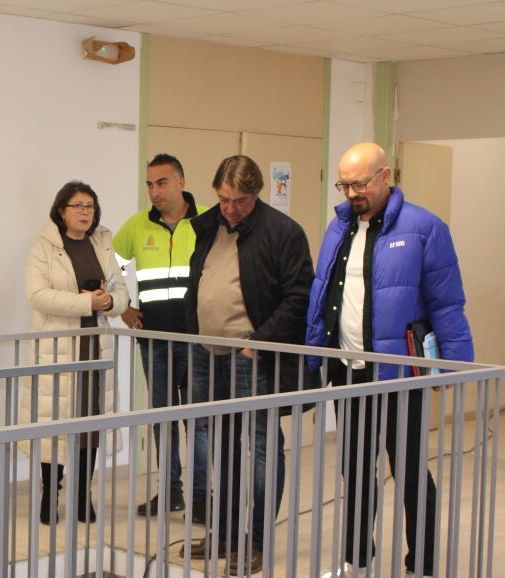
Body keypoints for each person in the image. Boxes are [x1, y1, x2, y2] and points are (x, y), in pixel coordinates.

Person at [307, 142, 474, 578]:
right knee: (356, 470)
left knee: (411, 472)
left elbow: (447, 303)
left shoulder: (424, 228)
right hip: (349, 372)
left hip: (401, 376)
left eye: (359, 184)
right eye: (344, 185)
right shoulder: (338, 228)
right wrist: (314, 356)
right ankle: (357, 559)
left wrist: (455, 366)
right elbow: (323, 294)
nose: (351, 193)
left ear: (386, 176)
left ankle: (422, 565)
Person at [184, 155, 314, 575]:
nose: (230, 208)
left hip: (251, 355)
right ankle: (223, 533)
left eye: (239, 200)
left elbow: (299, 297)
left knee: (260, 448)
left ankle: (256, 542)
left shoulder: (283, 232)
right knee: (219, 444)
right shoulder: (208, 225)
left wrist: (258, 343)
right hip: (207, 352)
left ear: (256, 193)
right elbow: (198, 283)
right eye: (224, 199)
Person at [23, 181, 129, 526]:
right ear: (61, 210)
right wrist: (86, 303)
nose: (85, 212)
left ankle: (83, 495)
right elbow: (37, 295)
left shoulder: (104, 243)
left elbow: (122, 290)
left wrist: (110, 302)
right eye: (78, 206)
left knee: (91, 425)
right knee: (53, 423)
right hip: (57, 350)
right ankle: (49, 494)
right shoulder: (44, 245)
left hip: (95, 347)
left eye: (90, 206)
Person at [113, 153, 209, 519]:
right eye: (150, 185)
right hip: (154, 340)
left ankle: (201, 497)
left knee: (198, 420)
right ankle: (170, 492)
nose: (155, 191)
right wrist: (123, 307)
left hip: (198, 340)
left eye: (162, 183)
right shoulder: (137, 226)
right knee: (163, 418)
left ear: (181, 182)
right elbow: (109, 266)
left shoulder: (207, 222)